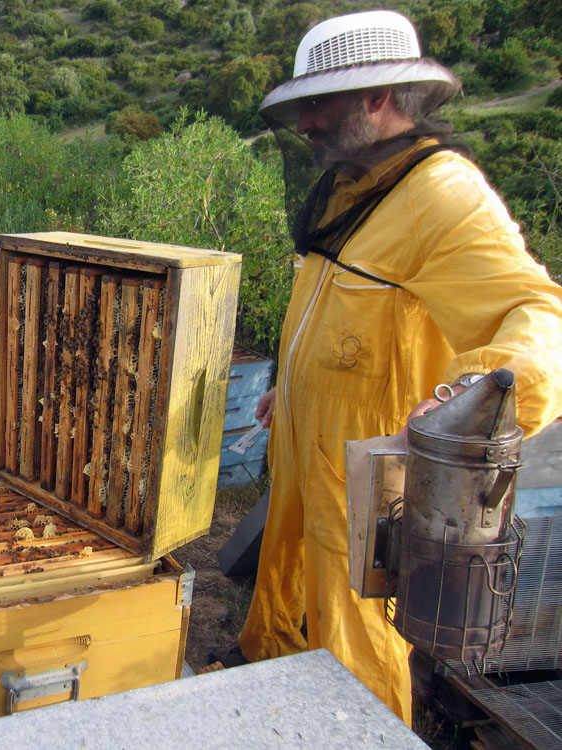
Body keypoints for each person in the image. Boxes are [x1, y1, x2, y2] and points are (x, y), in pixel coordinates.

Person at [235, 10, 562, 725]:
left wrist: (473, 409)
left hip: (368, 477)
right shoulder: (356, 183)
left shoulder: (442, 193)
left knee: (359, 640)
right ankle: (270, 692)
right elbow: (339, 314)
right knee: (284, 585)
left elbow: (539, 313)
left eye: (316, 105)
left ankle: (364, 734)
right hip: (303, 444)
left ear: (376, 98)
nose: (304, 125)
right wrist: (288, 388)